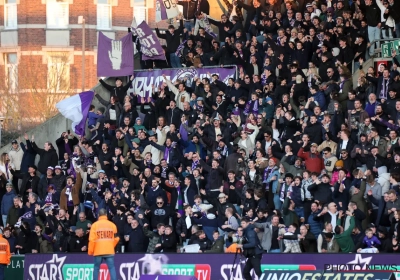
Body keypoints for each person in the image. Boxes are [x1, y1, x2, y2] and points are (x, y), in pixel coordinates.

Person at [88, 208, 119, 280]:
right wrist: (111, 245)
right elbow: (117, 238)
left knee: (96, 268)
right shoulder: (112, 225)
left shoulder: (94, 225)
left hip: (98, 251)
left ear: (98, 215)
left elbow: (91, 240)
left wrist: (90, 251)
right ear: (106, 215)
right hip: (109, 251)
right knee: (112, 268)